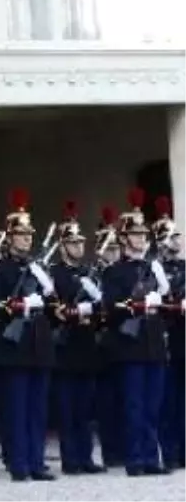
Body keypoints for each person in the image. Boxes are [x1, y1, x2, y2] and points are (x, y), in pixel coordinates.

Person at [0, 187, 57, 482]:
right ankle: (18, 462)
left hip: (38, 344)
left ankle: (36, 462)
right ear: (9, 238)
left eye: (29, 235)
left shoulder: (38, 269)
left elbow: (53, 304)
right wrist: (19, 305)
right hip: (12, 346)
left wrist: (42, 300)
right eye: (21, 235)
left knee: (38, 409)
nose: (27, 239)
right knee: (14, 408)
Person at [101, 187, 170, 477]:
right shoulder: (114, 271)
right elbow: (112, 307)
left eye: (143, 235)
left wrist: (161, 303)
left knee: (153, 405)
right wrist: (139, 304)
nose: (141, 239)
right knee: (133, 405)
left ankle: (151, 457)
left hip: (154, 344)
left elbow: (166, 301)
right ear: (125, 238)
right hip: (130, 345)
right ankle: (135, 459)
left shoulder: (154, 269)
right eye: (136, 235)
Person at [48, 200, 105, 475]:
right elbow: (54, 308)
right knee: (67, 408)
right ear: (62, 246)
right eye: (72, 243)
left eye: (81, 242)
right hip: (65, 345)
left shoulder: (87, 273)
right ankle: (70, 459)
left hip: (85, 345)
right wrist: (75, 311)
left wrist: (89, 310)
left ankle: (86, 457)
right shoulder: (54, 274)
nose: (79, 247)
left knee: (85, 408)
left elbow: (101, 306)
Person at [155, 196, 186, 468]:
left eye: (177, 235)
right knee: (168, 401)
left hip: (184, 338)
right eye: (172, 236)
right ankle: (170, 452)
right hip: (165, 339)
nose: (177, 240)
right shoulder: (155, 270)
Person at [93, 204, 125, 468]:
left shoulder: (123, 272)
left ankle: (122, 449)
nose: (113, 253)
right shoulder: (93, 273)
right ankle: (111, 451)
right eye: (109, 248)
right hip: (98, 342)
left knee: (124, 398)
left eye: (116, 248)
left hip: (122, 341)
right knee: (105, 402)